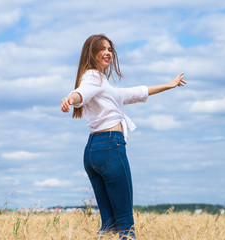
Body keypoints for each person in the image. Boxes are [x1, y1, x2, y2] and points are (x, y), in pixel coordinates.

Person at [61, 34, 186, 239]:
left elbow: (133, 93)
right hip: (110, 147)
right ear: (91, 53)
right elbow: (80, 93)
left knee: (109, 225)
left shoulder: (102, 83)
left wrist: (168, 85)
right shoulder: (93, 77)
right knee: (126, 225)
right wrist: (70, 98)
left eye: (110, 49)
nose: (108, 53)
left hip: (93, 152)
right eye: (102, 49)